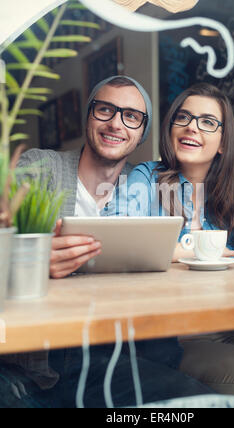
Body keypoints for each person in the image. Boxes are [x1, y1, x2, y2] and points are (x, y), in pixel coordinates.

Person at [0, 76, 213, 408]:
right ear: (88, 116)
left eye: (131, 116)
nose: (116, 123)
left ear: (142, 133)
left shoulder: (149, 188)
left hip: (109, 363)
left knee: (196, 403)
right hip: (28, 367)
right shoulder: (39, 169)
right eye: (105, 110)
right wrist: (32, 260)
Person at [107, 82, 234, 408]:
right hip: (172, 340)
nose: (192, 127)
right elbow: (117, 238)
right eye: (183, 118)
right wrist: (199, 251)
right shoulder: (148, 177)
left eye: (207, 121)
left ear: (223, 142)